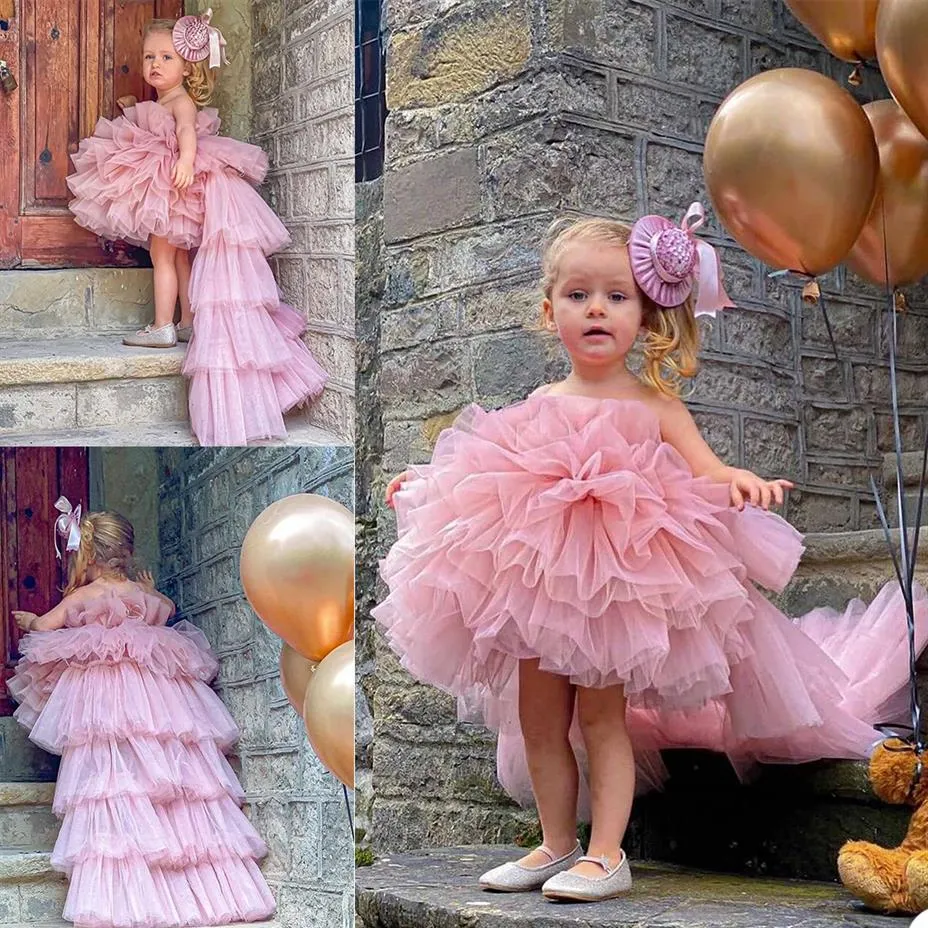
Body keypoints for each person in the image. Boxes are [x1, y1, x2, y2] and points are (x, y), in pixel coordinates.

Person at [373, 204, 928, 902]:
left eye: (616, 297)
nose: (596, 310)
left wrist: (740, 482)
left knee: (602, 717)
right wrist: (425, 483)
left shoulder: (655, 406)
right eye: (578, 297)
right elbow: (486, 471)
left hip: (615, 590)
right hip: (535, 586)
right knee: (537, 719)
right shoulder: (541, 399)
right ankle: (554, 843)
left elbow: (706, 468)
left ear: (645, 314)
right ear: (550, 314)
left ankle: (607, 853)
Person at [66, 10, 327, 445]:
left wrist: (186, 160)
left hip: (172, 183)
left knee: (163, 255)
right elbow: (162, 125)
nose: (155, 65)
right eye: (149, 57)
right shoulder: (163, 101)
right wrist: (136, 112)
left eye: (166, 57)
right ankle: (188, 319)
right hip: (170, 186)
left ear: (187, 65)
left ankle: (161, 326)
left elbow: (186, 131)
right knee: (180, 255)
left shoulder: (181, 101)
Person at [10, 499, 276, 926]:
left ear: (88, 555)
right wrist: (149, 591)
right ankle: (205, 891)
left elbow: (45, 627)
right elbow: (166, 610)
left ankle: (122, 895)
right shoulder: (144, 597)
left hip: (103, 701)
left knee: (110, 777)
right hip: (157, 700)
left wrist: (28, 621)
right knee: (173, 775)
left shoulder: (84, 596)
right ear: (127, 554)